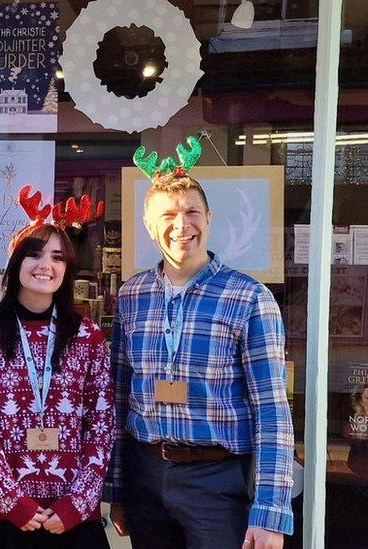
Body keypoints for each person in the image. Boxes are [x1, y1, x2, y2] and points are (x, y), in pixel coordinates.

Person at [107, 137, 294, 549]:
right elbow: (119, 398)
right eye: (168, 214)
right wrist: (117, 491)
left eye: (192, 212)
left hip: (217, 481)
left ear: (208, 218)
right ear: (148, 224)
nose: (181, 225)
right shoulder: (131, 296)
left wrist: (270, 511)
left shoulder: (249, 298)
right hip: (145, 476)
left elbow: (272, 411)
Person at [0, 186, 112, 548]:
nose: (46, 265)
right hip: (1, 513)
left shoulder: (88, 336)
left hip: (72, 516)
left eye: (57, 258)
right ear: (16, 262)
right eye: (35, 255)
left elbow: (101, 426)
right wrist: (14, 503)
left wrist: (76, 505)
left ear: (67, 268)